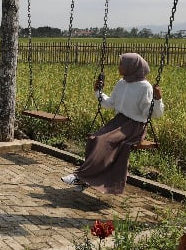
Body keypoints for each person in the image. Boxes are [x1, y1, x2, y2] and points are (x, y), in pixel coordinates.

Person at [61, 52, 164, 195]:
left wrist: (158, 100)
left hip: (134, 126)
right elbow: (110, 103)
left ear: (131, 66)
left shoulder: (144, 87)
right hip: (118, 122)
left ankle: (80, 176)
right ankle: (87, 180)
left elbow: (152, 113)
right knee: (94, 138)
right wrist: (98, 92)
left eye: (121, 64)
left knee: (104, 141)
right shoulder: (121, 83)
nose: (119, 67)